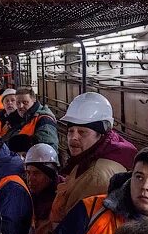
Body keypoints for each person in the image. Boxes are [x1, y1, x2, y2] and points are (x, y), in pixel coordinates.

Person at [49, 92, 136, 226]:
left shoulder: (96, 175)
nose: (73, 137)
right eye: (71, 131)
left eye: (82, 132)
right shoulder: (90, 156)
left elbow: (76, 226)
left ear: (100, 134)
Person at [3, 88, 59, 152]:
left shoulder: (44, 120)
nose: (21, 106)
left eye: (25, 102)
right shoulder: (22, 118)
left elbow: (47, 148)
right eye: (18, 103)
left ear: (34, 100)